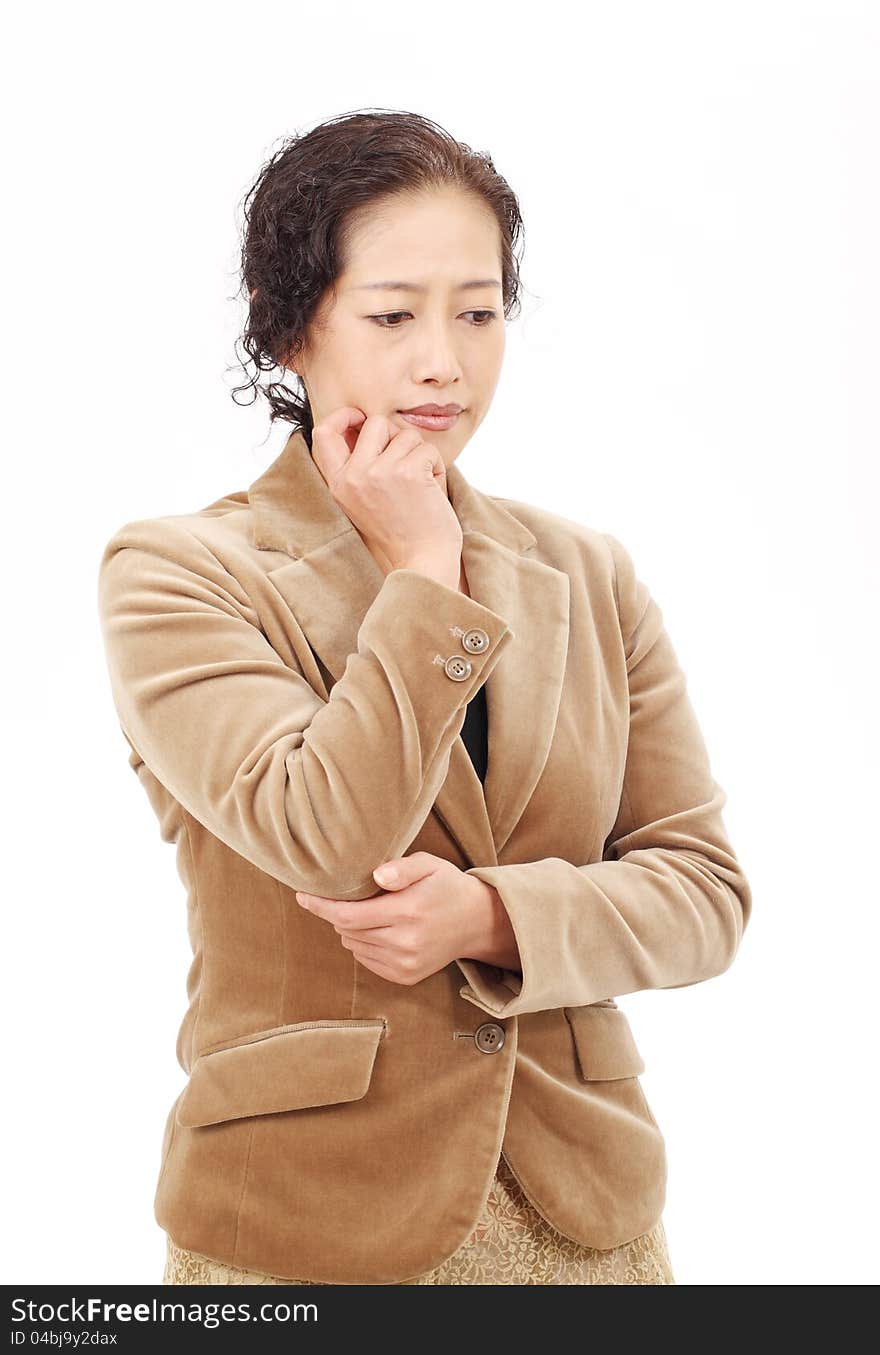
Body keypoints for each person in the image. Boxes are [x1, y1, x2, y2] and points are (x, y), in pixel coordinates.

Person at [96, 109, 752, 1286]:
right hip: (303, 1222)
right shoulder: (177, 570)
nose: (442, 359)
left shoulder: (586, 573)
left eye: (479, 310)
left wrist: (495, 918)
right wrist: (423, 573)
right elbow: (326, 834)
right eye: (393, 314)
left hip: (586, 1219)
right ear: (291, 330)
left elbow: (703, 891)